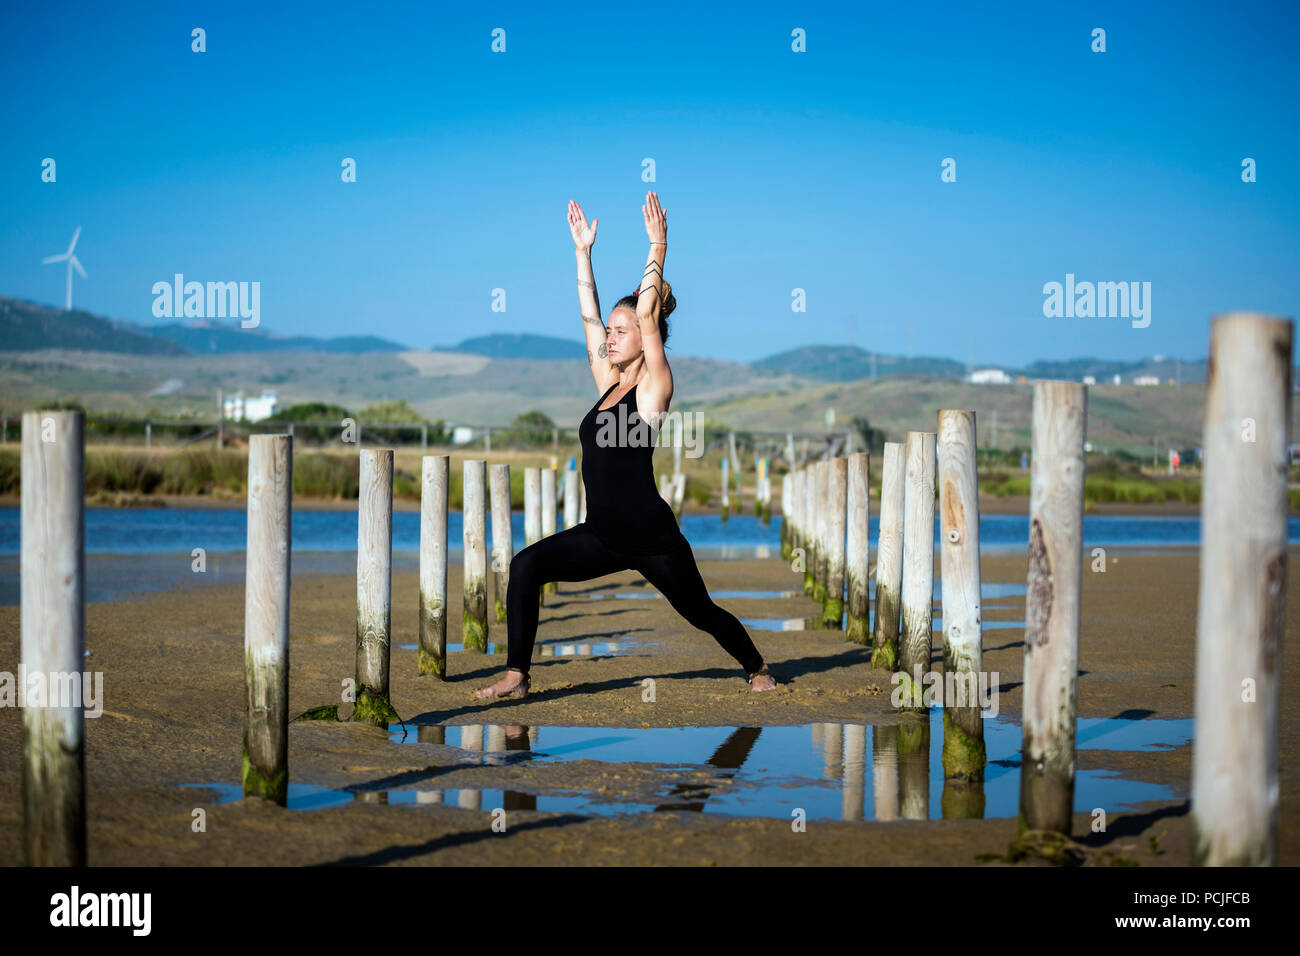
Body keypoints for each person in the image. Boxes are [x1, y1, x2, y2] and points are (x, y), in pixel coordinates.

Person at [474, 191, 777, 699]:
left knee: (699, 611)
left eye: (622, 331)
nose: (610, 338)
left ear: (644, 334)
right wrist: (582, 254)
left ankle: (757, 665)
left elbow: (649, 312)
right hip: (603, 535)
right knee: (527, 565)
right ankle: (517, 676)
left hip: (653, 539)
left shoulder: (654, 387)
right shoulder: (606, 386)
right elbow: (590, 320)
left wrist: (658, 245)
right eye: (611, 332)